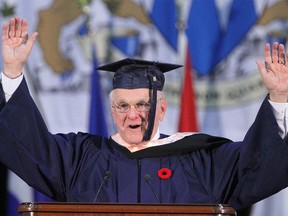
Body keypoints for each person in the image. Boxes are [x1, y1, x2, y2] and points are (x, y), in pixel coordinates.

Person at [1, 16, 288, 213]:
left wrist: (278, 98)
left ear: (162, 109)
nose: (132, 115)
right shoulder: (81, 159)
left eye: (143, 104)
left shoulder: (201, 160)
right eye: (122, 105)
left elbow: (257, 166)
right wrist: (13, 73)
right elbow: (29, 148)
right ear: (112, 111)